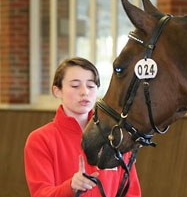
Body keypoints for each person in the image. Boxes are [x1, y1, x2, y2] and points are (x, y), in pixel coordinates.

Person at [24, 57, 141, 197]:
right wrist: (71, 187)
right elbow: (40, 194)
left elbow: (132, 191)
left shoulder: (115, 135)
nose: (84, 92)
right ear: (57, 91)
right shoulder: (40, 139)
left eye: (91, 86)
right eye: (75, 85)